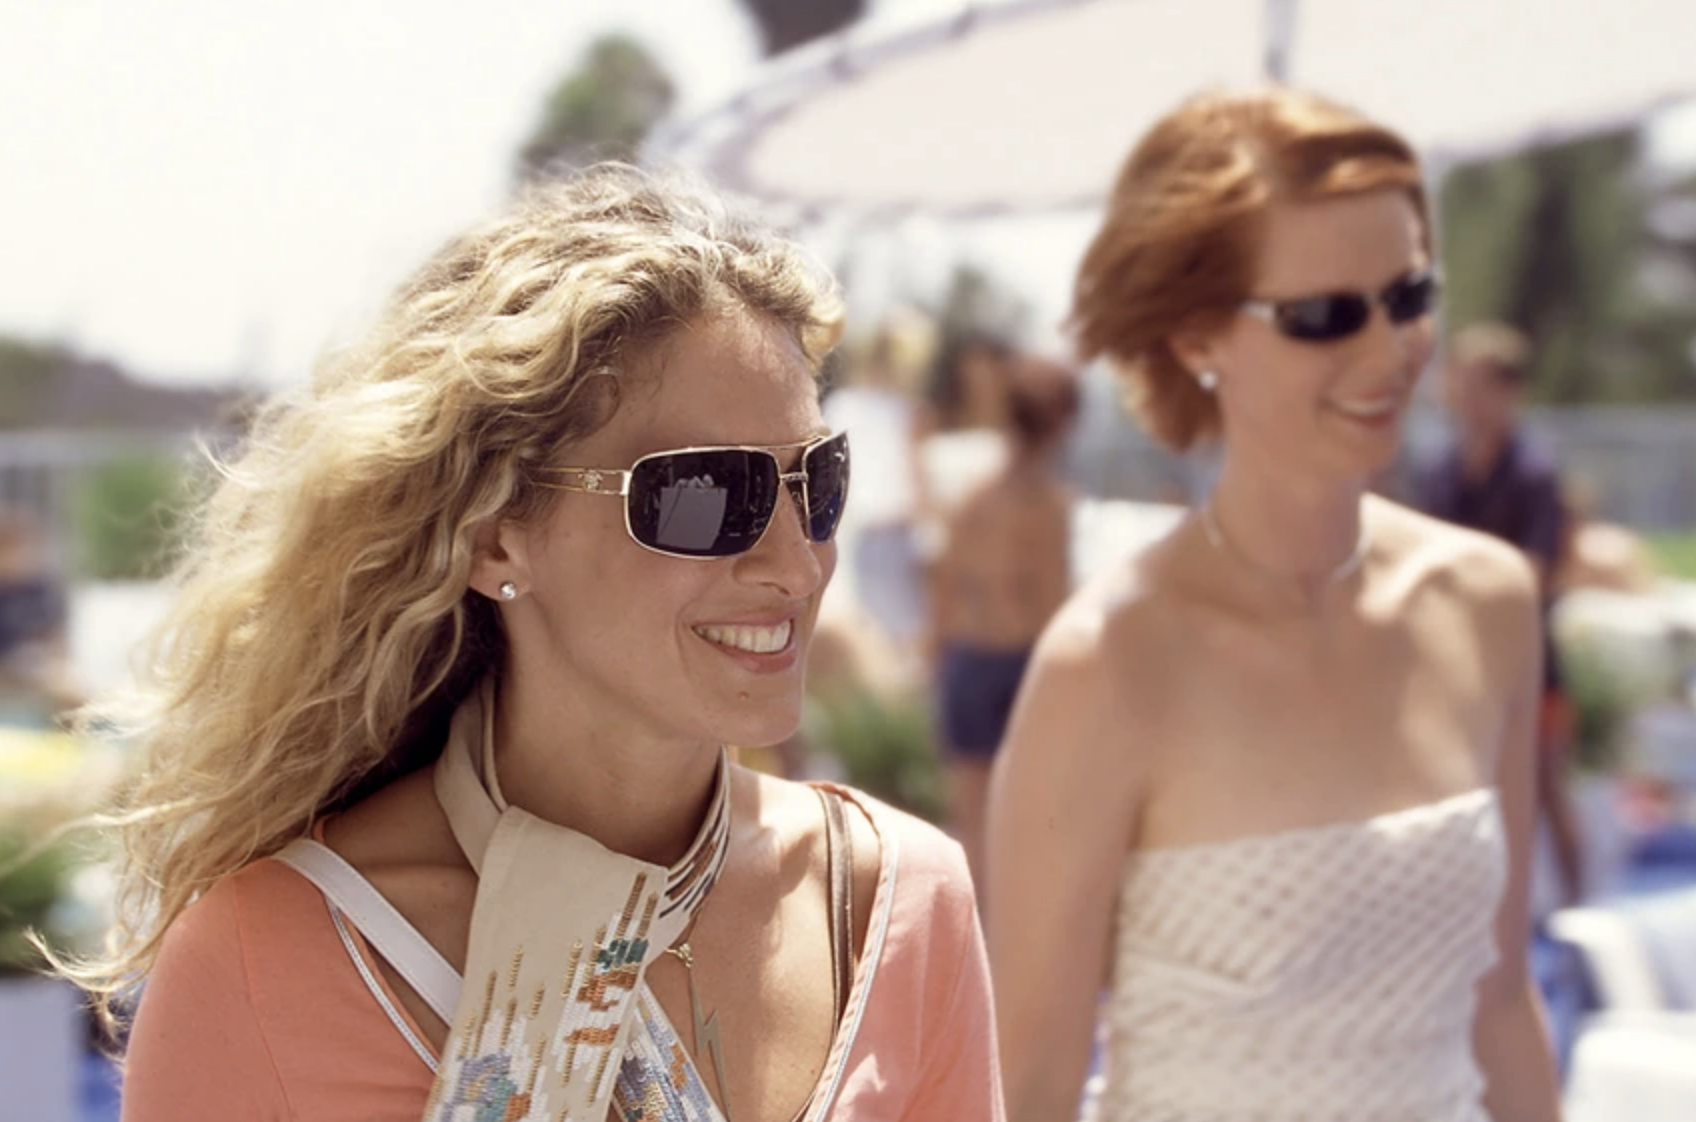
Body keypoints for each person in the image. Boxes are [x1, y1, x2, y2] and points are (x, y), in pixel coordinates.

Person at [74, 166, 1001, 1121]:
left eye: (819, 479)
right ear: (493, 533)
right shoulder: (265, 962)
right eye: (705, 494)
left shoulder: (895, 904)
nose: (797, 565)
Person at [987, 88, 1563, 1122]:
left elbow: (1502, 1001)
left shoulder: (1489, 603)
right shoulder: (1108, 664)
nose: (1390, 347)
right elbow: (1027, 1085)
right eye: (1325, 314)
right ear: (1197, 337)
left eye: (1409, 293)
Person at [930, 357, 1078, 894]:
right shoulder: (1050, 505)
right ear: (1061, 422)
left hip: (969, 659)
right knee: (1032, 820)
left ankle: (972, 950)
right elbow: (1052, 604)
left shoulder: (974, 498)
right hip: (1022, 665)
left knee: (971, 823)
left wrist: (936, 662)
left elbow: (944, 588)